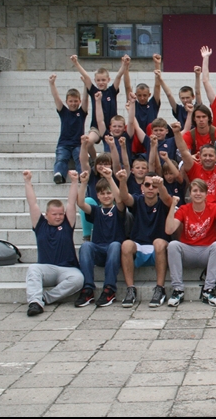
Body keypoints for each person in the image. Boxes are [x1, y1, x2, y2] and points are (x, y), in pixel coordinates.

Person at [165, 180, 216, 307]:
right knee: (173, 245)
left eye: (201, 191)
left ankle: (208, 290)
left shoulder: (213, 208)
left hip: (206, 252)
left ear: (206, 194)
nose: (198, 194)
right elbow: (169, 230)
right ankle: (178, 290)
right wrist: (172, 206)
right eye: (195, 191)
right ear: (190, 194)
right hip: (188, 251)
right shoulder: (184, 209)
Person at [23, 170, 84, 317]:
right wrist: (27, 181)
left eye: (61, 214)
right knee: (32, 269)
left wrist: (74, 181)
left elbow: (71, 203)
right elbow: (32, 203)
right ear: (47, 215)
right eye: (54, 214)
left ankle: (45, 298)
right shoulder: (40, 225)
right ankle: (35, 303)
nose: (58, 217)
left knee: (78, 279)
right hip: (46, 268)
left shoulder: (67, 224)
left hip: (67, 268)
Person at [118, 170, 173, 308]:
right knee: (126, 245)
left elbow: (167, 199)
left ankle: (160, 289)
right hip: (140, 245)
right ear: (142, 187)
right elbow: (125, 197)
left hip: (159, 248)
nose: (150, 188)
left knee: (158, 242)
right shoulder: (138, 200)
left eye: (154, 186)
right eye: (147, 185)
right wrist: (123, 181)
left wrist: (161, 186)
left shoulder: (163, 202)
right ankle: (130, 289)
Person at [75, 167, 126, 308]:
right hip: (98, 250)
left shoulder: (118, 210)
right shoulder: (96, 210)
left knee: (115, 245)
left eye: (109, 193)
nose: (106, 196)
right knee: (86, 245)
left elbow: (120, 200)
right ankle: (88, 289)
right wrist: (83, 183)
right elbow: (80, 203)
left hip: (114, 252)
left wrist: (110, 178)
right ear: (97, 195)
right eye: (102, 193)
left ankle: (109, 289)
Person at [49, 73, 88, 184]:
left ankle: (82, 175)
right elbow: (56, 97)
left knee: (80, 158)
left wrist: (86, 85)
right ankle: (59, 174)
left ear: (79, 101)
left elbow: (86, 99)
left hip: (78, 144)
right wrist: (52, 84)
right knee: (61, 158)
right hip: (64, 143)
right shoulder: (63, 111)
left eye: (76, 101)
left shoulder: (82, 112)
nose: (73, 103)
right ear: (66, 102)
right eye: (71, 101)